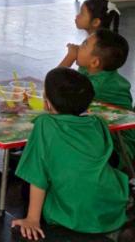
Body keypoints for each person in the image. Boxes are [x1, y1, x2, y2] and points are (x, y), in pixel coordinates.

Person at [11, 68, 129, 240]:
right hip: (110, 205)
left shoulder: (45, 124)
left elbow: (37, 174)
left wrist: (32, 219)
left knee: (26, 186)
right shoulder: (98, 122)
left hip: (72, 214)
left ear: (47, 103)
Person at [59, 29, 134, 168]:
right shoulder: (91, 69)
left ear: (94, 62)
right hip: (101, 131)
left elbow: (55, 88)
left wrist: (69, 57)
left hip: (120, 146)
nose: (78, 46)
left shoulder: (98, 85)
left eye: (84, 44)